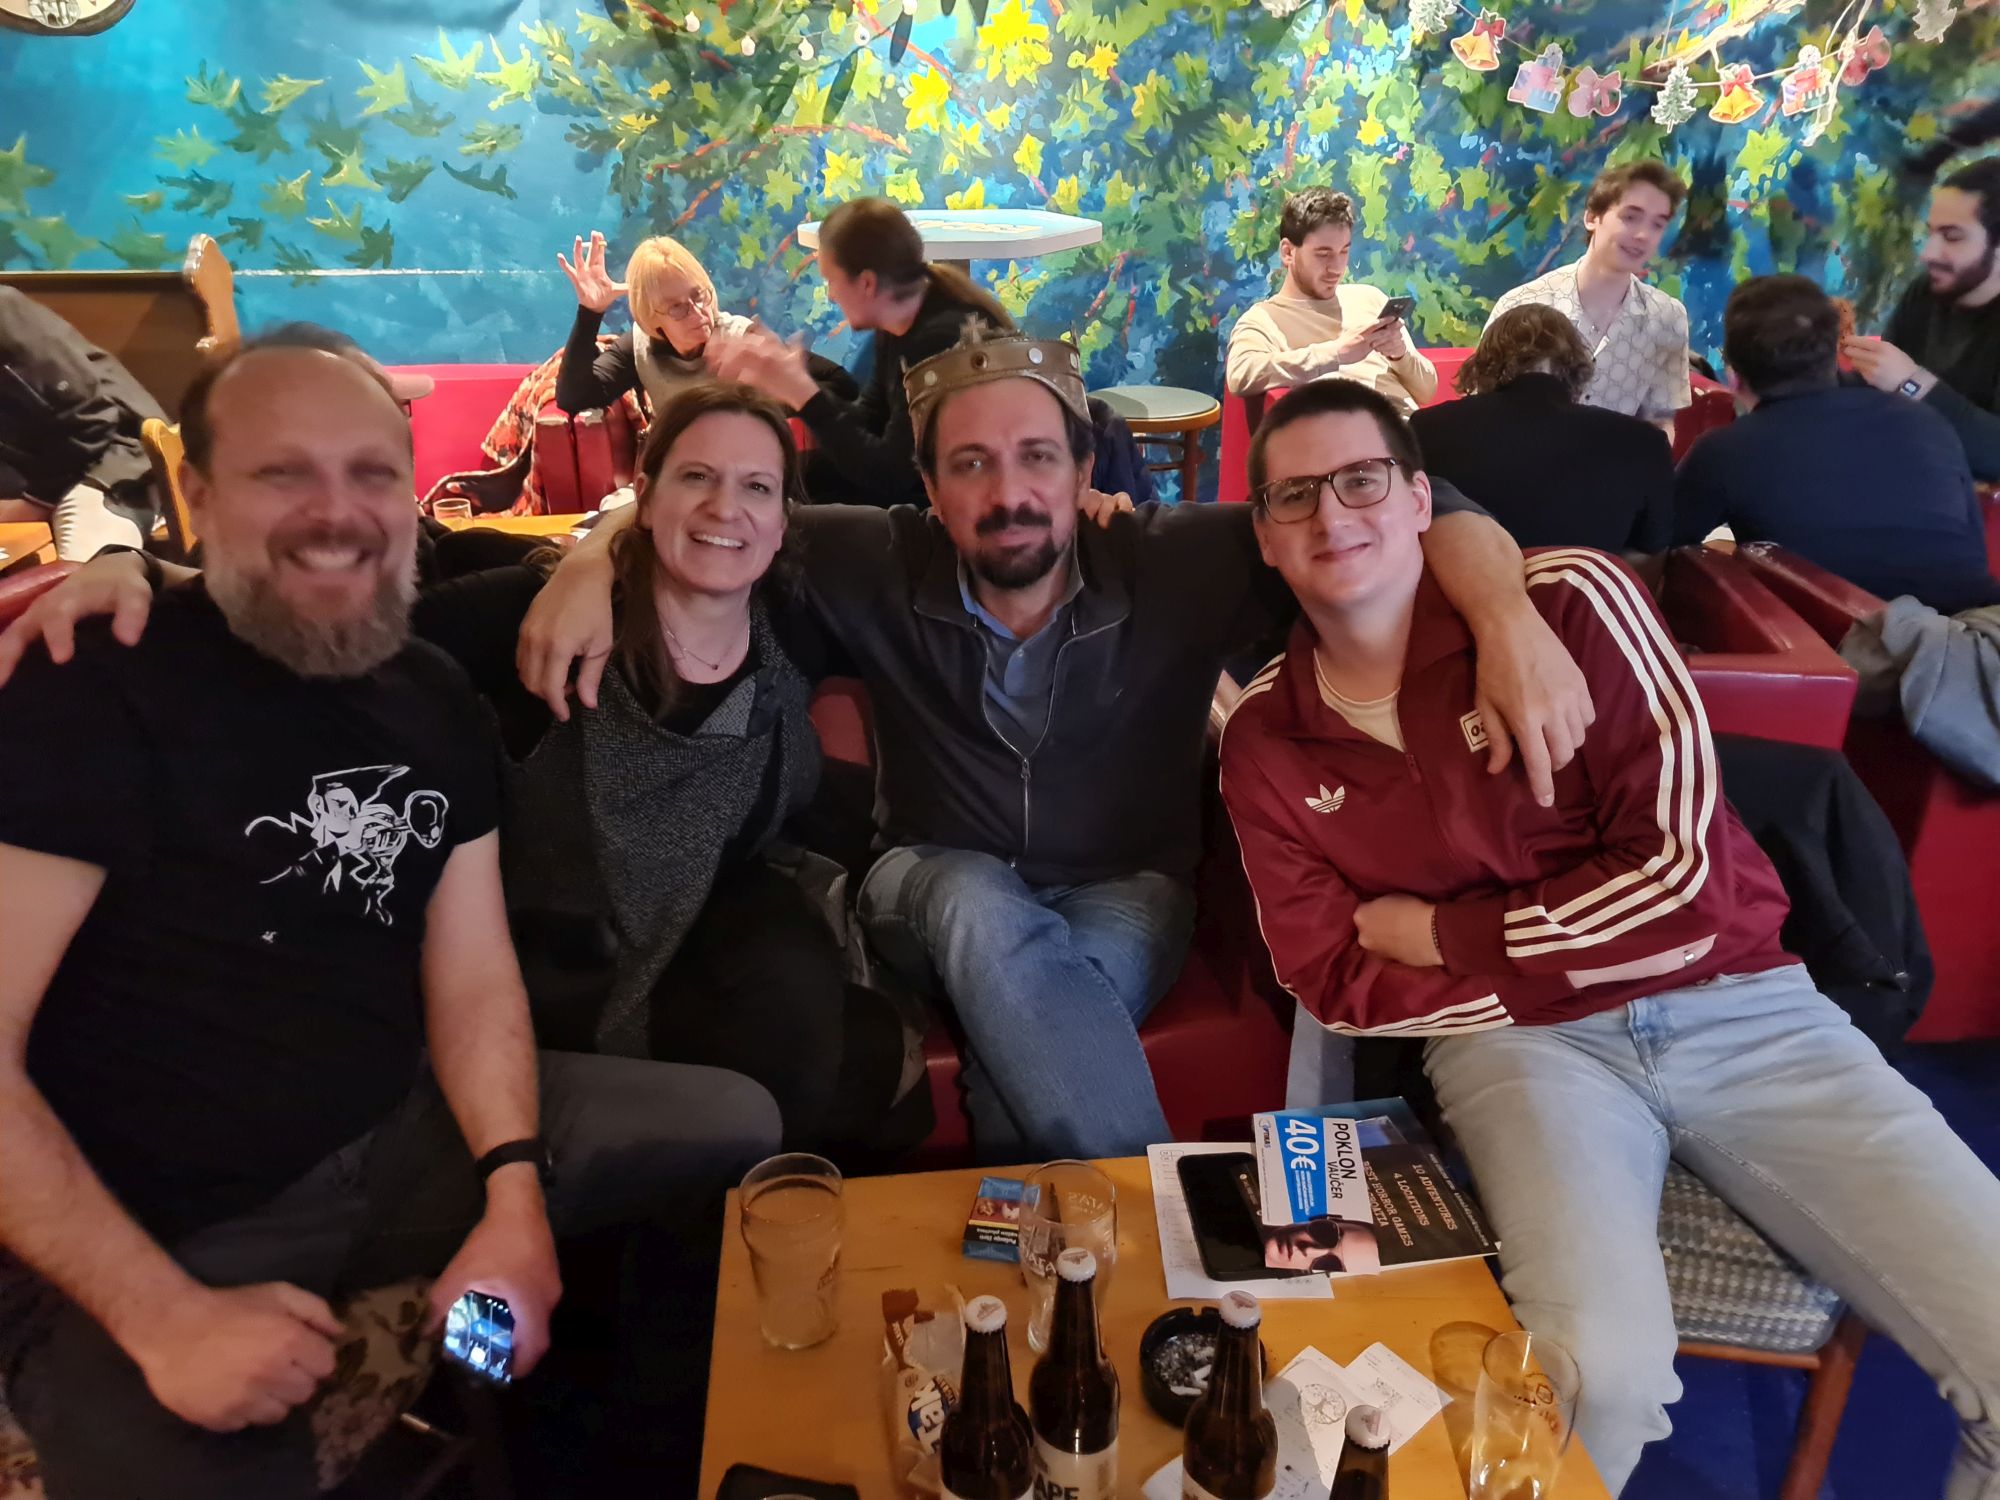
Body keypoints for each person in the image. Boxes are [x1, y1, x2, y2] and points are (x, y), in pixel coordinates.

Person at [505, 324, 1596, 1165]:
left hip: (1127, 892)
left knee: (1024, 1033)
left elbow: (1432, 491)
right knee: (978, 903)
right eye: (970, 465)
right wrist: (594, 557)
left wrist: (1508, 620)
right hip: (927, 881)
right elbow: (707, 511)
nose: (1008, 492)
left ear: (1083, 472)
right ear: (928, 489)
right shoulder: (874, 558)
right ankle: (1161, 1234)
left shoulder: (1169, 561)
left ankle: (1041, 1275)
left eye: (1037, 458)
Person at [0, 335, 781, 1497]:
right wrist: (160, 1315)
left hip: (399, 1141)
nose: (337, 513)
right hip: (162, 1222)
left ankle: (558, 1441)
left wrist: (513, 1196)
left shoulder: (429, 697)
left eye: (370, 473)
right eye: (284, 474)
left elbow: (471, 977)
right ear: (197, 493)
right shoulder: (99, 682)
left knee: (734, 1127)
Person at [1218, 377, 2000, 1496]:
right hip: (1518, 1050)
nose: (1330, 515)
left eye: (1361, 481)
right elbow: (1329, 975)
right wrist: (1564, 967)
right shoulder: (1265, 736)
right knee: (1599, 1372)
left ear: (1420, 499)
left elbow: (1685, 886)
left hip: (1744, 1008)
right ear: (1262, 534)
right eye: (1294, 496)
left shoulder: (1573, 601)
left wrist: (1444, 933)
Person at [1, 357, 902, 1157]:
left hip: (714, 914)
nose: (725, 508)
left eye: (756, 487)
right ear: (646, 492)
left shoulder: (793, 616)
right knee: (775, 1079)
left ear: (783, 518)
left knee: (824, 1041)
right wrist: (136, 569)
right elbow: (326, 632)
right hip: (557, 955)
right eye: (695, 477)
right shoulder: (532, 618)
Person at [1678, 275, 1999, 613]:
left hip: (1851, 641)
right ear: (1834, 355)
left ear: (1733, 376)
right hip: (1980, 632)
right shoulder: (1928, 422)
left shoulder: (1726, 452)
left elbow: (1655, 544)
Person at [706, 196, 1013, 507]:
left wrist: (802, 393)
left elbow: (892, 475)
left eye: (831, 280)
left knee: (795, 510)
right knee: (791, 477)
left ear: (867, 283)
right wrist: (794, 386)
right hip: (919, 487)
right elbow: (870, 420)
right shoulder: (898, 323)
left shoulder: (939, 341)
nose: (831, 294)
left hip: (964, 504)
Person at [1409, 305, 1674, 555]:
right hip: (1588, 587)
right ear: (1576, 367)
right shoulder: (1644, 442)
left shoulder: (1426, 428)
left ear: (1484, 364)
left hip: (1460, 585)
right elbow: (1654, 550)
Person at [1487, 162, 1692, 432]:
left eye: (1657, 224)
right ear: (1592, 217)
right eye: (1630, 217)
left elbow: (1660, 420)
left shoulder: (1667, 317)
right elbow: (1480, 407)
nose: (1643, 235)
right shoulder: (1521, 305)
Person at [1846, 158, 2000, 481]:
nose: (1928, 253)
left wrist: (1911, 383)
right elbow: (1876, 391)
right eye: (1931, 233)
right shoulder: (1926, 291)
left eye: (1952, 237)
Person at [1225, 187, 1438, 413]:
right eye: (1323, 254)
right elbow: (1241, 374)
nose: (1336, 267)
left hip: (1415, 427)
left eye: (1344, 251)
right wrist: (1336, 353)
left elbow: (1427, 391)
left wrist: (1400, 355)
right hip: (1357, 431)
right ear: (1288, 252)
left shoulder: (1370, 298)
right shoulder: (1264, 320)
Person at [0, 285, 162, 560]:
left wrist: (35, 501)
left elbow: (92, 420)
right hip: (31, 469)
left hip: (113, 455)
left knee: (85, 572)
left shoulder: (3, 312)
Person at [552, 229, 753, 417]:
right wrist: (590, 313)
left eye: (698, 295)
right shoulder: (641, 346)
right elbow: (574, 398)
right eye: (676, 307)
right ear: (651, 317)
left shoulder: (743, 340)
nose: (697, 311)